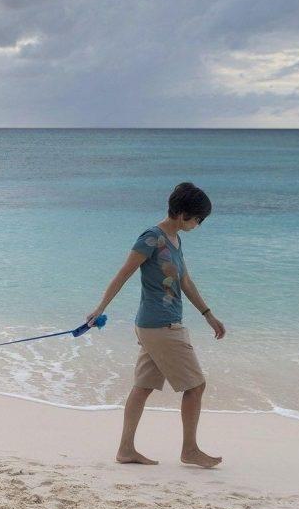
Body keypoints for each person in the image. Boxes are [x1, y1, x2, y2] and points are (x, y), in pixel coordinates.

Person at [85, 182, 225, 468]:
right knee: (196, 386)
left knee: (144, 385)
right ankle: (190, 450)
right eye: (198, 219)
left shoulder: (175, 240)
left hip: (153, 325)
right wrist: (100, 308)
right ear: (184, 213)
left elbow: (184, 280)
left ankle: (126, 450)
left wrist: (208, 314)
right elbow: (123, 273)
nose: (199, 225)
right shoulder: (152, 238)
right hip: (161, 326)